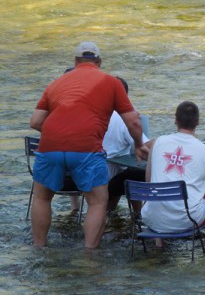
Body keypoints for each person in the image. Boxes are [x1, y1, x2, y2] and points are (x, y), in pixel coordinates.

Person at [29, 41, 147, 249]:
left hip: (50, 146)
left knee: (41, 197)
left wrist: (59, 134)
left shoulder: (58, 83)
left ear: (75, 62)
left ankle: (39, 247)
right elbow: (134, 121)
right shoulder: (111, 82)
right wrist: (138, 144)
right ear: (99, 62)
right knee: (98, 201)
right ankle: (89, 252)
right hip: (86, 147)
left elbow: (36, 121)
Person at [141, 101, 205, 251]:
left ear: (176, 120)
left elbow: (149, 181)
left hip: (152, 217)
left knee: (156, 189)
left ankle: (158, 244)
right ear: (197, 122)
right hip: (188, 219)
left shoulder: (158, 143)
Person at [103, 76, 150, 215]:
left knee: (125, 168)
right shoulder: (124, 119)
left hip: (89, 172)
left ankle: (108, 213)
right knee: (135, 173)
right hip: (110, 176)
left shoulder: (93, 112)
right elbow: (145, 146)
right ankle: (138, 215)